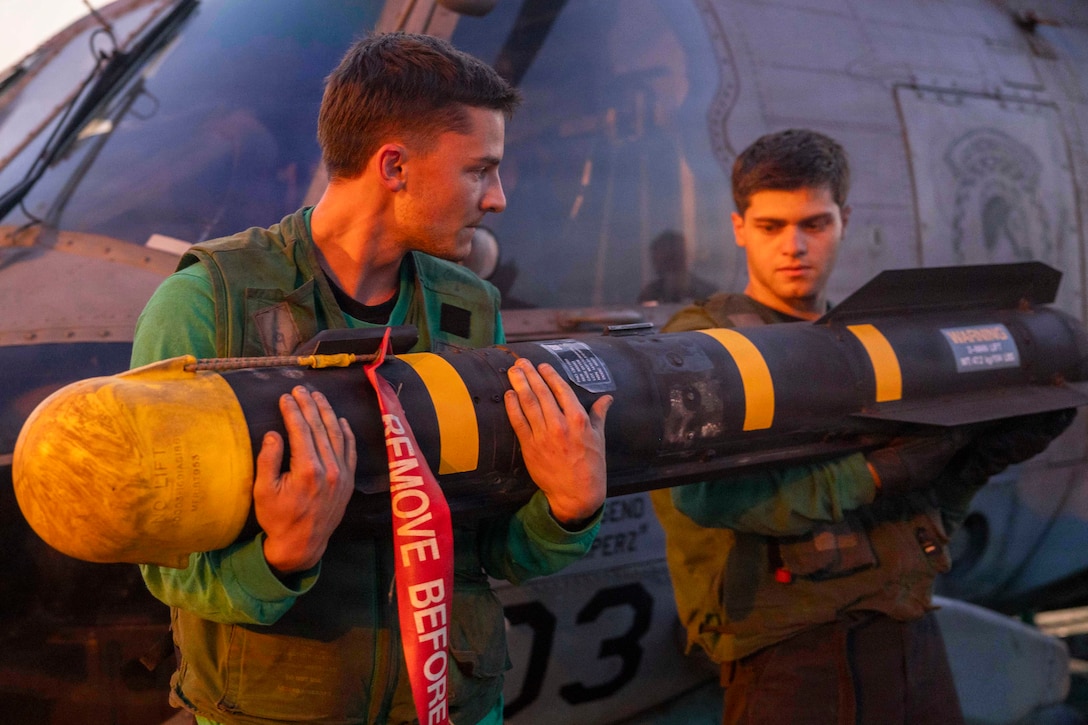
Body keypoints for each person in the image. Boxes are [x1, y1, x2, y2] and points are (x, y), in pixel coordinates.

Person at [131, 33, 612, 725]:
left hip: (449, 704)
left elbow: (491, 546)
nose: (498, 198)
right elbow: (163, 558)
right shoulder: (209, 302)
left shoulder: (472, 310)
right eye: (480, 170)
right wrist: (280, 557)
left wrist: (567, 511)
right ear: (395, 165)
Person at [649, 128, 1072, 724]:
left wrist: (971, 461)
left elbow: (924, 496)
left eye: (815, 224)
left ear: (843, 220)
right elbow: (704, 495)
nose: (794, 246)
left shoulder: (868, 347)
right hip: (789, 654)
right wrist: (875, 473)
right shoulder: (704, 349)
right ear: (740, 227)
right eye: (771, 227)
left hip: (906, 625)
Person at [637, 229, 717, 304]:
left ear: (685, 257)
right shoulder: (649, 295)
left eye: (671, 258)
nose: (669, 265)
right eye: (660, 259)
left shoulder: (709, 294)